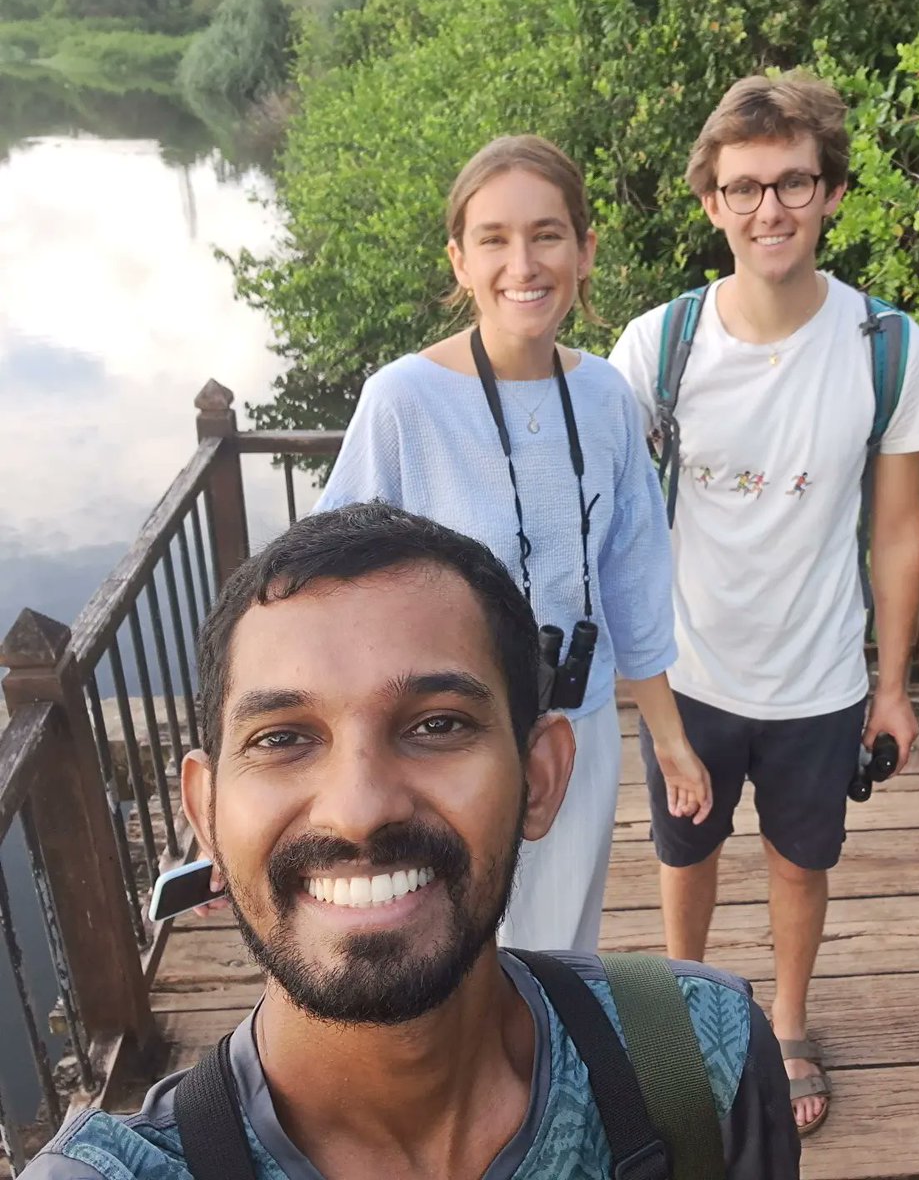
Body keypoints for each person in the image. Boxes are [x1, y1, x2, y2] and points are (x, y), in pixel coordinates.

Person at [22, 504, 799, 1179]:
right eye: (284, 737)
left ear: (541, 776)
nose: (359, 811)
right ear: (207, 809)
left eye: (438, 725)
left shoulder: (700, 1058)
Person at [610, 72, 919, 1136]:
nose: (771, 211)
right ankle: (681, 1019)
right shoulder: (659, 347)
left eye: (794, 183)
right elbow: (615, 526)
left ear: (833, 192)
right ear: (711, 201)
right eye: (745, 188)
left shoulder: (887, 348)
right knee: (684, 859)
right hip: (693, 672)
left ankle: (789, 1023)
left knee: (804, 865)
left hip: (820, 678)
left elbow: (898, 531)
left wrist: (894, 687)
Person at [312, 135, 710, 955]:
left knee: (562, 941)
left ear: (584, 249)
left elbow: (632, 577)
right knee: (449, 941)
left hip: (579, 723)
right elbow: (324, 578)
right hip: (443, 737)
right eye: (493, 239)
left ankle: (547, 1079)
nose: (522, 263)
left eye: (547, 234)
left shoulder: (604, 397)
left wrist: (669, 741)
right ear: (460, 260)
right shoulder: (403, 402)